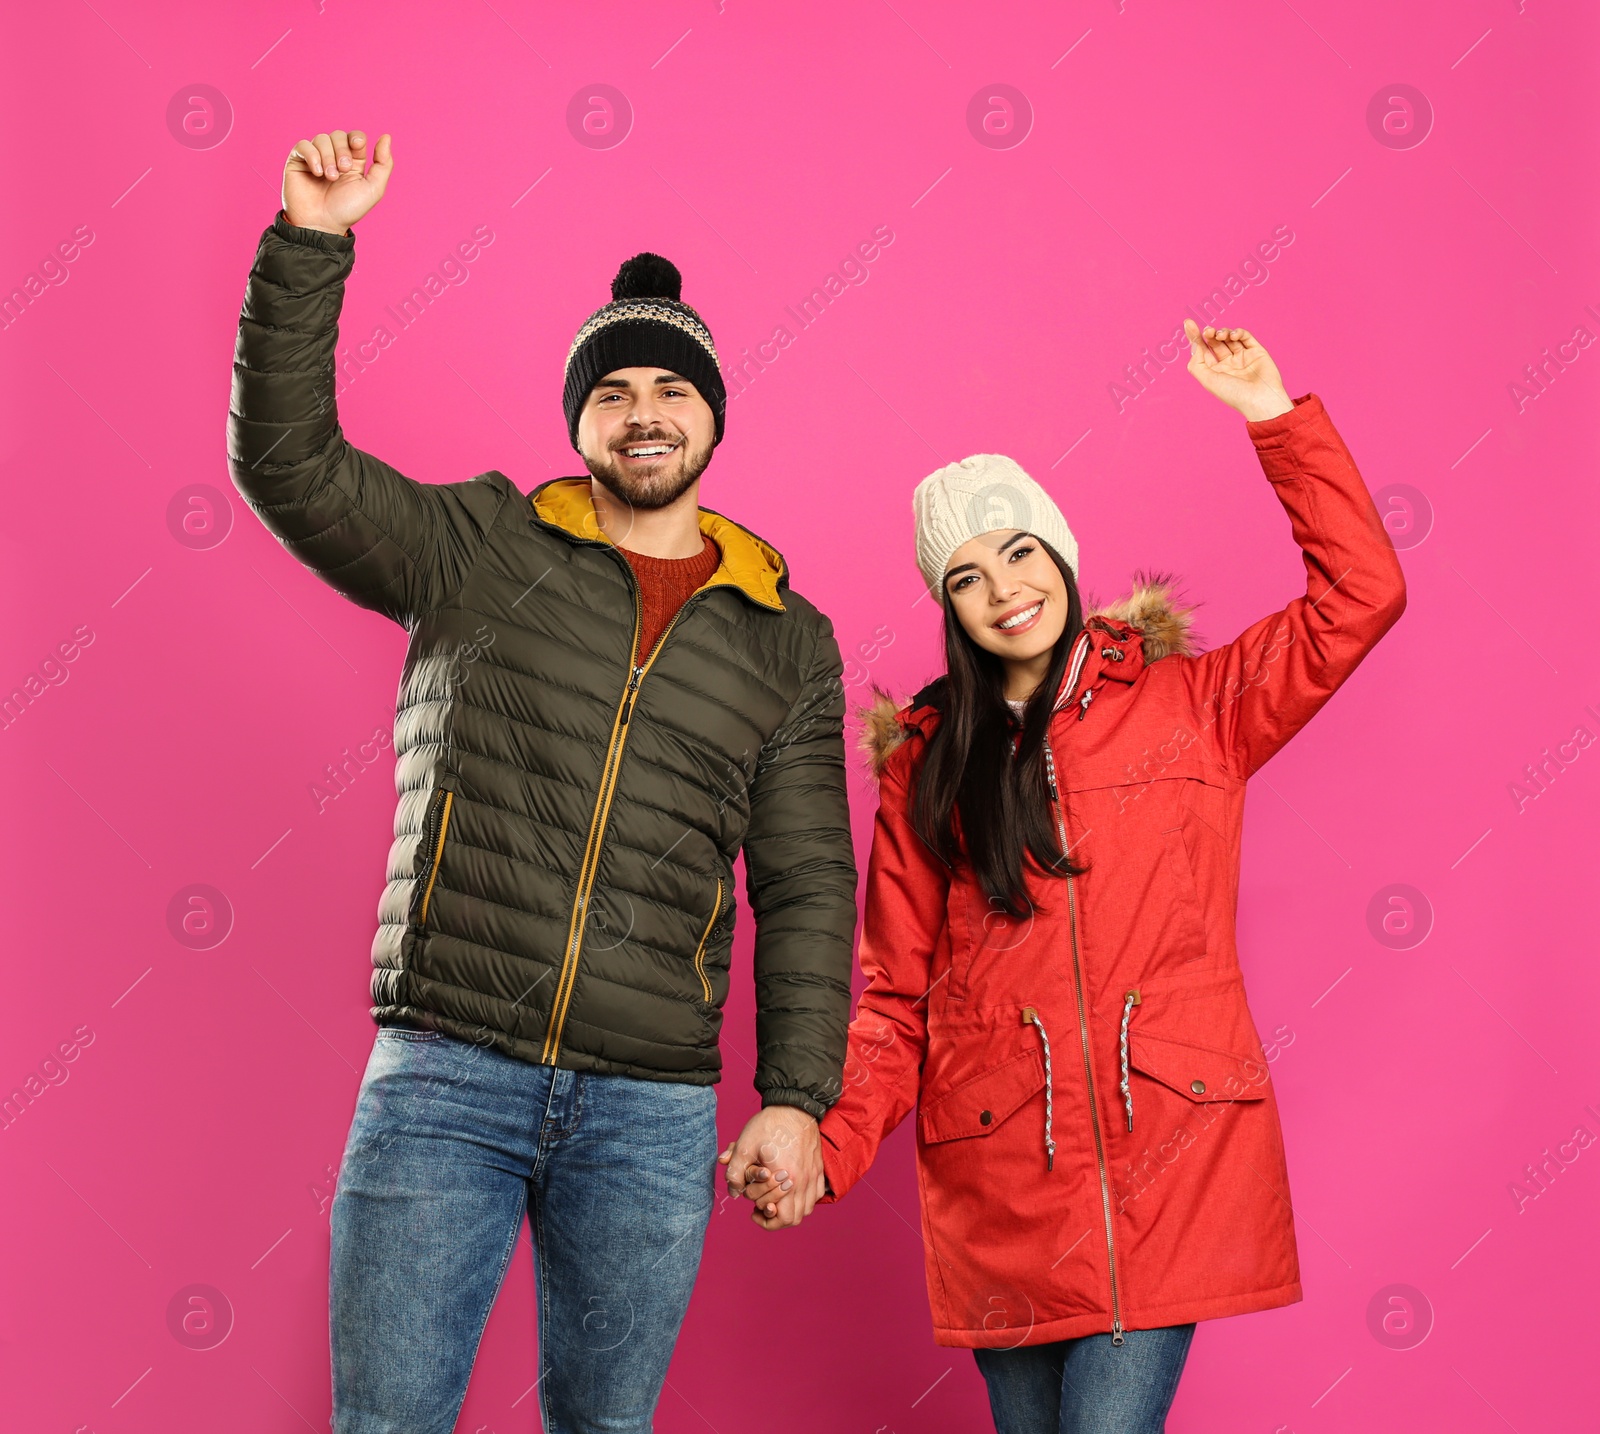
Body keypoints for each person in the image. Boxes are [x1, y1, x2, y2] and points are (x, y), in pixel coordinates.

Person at [227, 128, 855, 1433]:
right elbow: (286, 462)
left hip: (651, 1104)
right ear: (579, 417)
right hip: (445, 1072)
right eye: (613, 388)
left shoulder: (786, 634)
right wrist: (311, 241)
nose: (644, 411)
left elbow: (805, 886)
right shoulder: (476, 544)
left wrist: (796, 1098)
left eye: (672, 390)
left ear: (713, 417)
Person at [735, 321, 1407, 1431]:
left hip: (1168, 1159)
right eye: (964, 576)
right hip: (1000, 1180)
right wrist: (825, 1149)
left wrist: (1271, 418)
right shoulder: (927, 765)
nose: (1001, 588)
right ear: (945, 607)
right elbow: (897, 1001)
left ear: (1057, 551)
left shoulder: (1197, 704)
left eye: (1016, 551)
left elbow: (1360, 595)